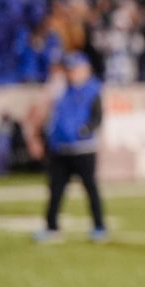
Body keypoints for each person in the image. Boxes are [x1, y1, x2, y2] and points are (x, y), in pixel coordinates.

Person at [36, 53, 107, 242]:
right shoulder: (60, 89)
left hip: (84, 149)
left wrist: (86, 129)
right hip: (60, 148)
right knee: (56, 190)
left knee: (91, 189)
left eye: (74, 69)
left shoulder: (92, 90)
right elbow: (48, 112)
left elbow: (97, 117)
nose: (71, 73)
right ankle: (51, 227)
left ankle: (99, 226)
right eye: (69, 69)